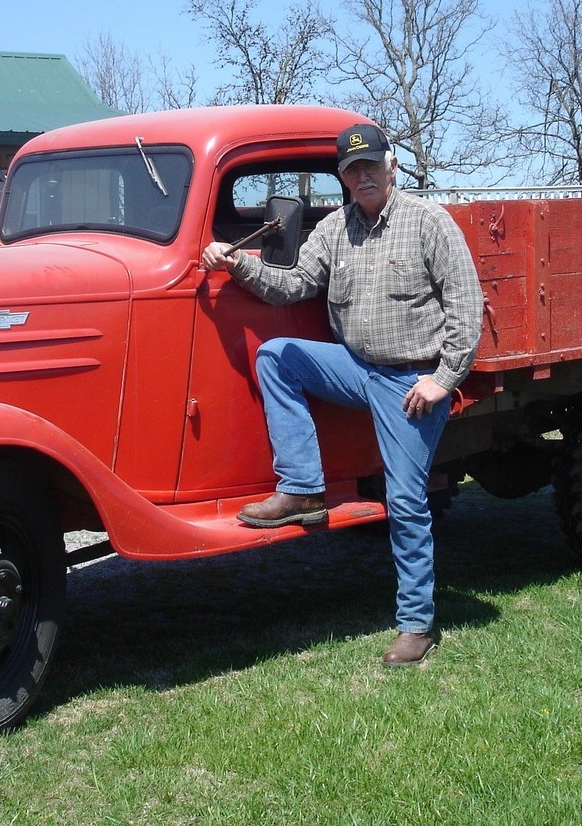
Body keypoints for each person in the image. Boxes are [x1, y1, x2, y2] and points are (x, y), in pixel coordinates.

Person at [200, 122, 483, 667]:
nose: (363, 177)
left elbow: (466, 307)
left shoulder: (429, 222)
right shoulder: (334, 228)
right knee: (276, 356)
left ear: (391, 166)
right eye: (353, 170)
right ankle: (303, 490)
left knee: (405, 501)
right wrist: (237, 264)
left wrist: (443, 379)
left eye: (371, 165)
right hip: (357, 368)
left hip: (411, 382)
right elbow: (293, 284)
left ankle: (416, 624)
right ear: (343, 177)